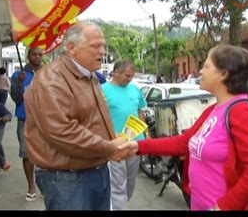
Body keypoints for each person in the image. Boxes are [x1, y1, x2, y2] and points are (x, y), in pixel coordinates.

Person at [120, 44, 248, 210]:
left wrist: (225, 205)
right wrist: (138, 146)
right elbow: (183, 142)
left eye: (206, 66)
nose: (200, 71)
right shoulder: (215, 109)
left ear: (224, 73)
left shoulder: (244, 111)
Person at [23, 22, 129, 210]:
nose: (102, 51)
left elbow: (92, 118)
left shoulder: (90, 76)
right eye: (96, 46)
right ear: (72, 48)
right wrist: (108, 147)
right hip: (68, 179)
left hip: (95, 170)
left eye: (103, 45)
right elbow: (62, 132)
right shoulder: (52, 79)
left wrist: (113, 138)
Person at [102, 59, 148, 210]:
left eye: (132, 76)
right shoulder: (102, 90)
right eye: (127, 76)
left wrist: (146, 135)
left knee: (130, 181)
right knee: (117, 184)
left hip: (135, 144)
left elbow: (140, 112)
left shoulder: (135, 89)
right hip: (116, 145)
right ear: (116, 72)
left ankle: (121, 204)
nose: (130, 79)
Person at [10, 47, 44, 201]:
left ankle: (44, 185)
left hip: (45, 120)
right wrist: (19, 83)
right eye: (34, 54)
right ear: (28, 56)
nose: (38, 57)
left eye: (40, 54)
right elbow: (16, 99)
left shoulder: (48, 73)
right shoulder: (18, 75)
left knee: (46, 154)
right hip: (25, 120)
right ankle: (31, 186)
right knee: (26, 153)